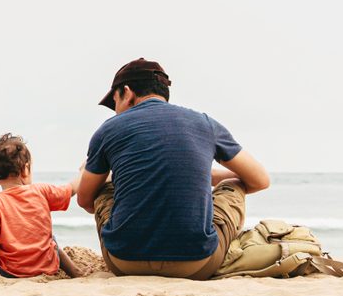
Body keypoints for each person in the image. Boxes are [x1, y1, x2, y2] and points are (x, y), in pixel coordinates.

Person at [77, 58, 270, 280]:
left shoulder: (108, 130)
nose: (116, 111)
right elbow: (260, 180)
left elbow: (85, 200)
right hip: (198, 265)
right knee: (234, 184)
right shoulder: (204, 123)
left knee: (104, 184)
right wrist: (204, 175)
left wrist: (113, 178)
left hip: (123, 262)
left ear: (127, 92)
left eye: (114, 102)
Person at [0, 133, 83, 278]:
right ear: (26, 169)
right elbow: (71, 189)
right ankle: (74, 271)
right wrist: (84, 172)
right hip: (46, 266)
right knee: (50, 240)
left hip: (12, 271)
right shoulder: (41, 191)